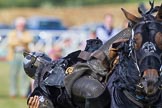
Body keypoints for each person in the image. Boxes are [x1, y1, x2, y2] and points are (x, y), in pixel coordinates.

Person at [7, 17, 33, 98]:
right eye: (19, 25)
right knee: (13, 74)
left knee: (24, 74)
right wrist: (22, 41)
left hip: (24, 55)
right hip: (14, 54)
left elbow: (29, 39)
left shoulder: (27, 33)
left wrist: (18, 40)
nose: (21, 26)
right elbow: (11, 42)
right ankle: (13, 92)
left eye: (22, 25)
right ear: (16, 25)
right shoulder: (12, 33)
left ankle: (24, 92)